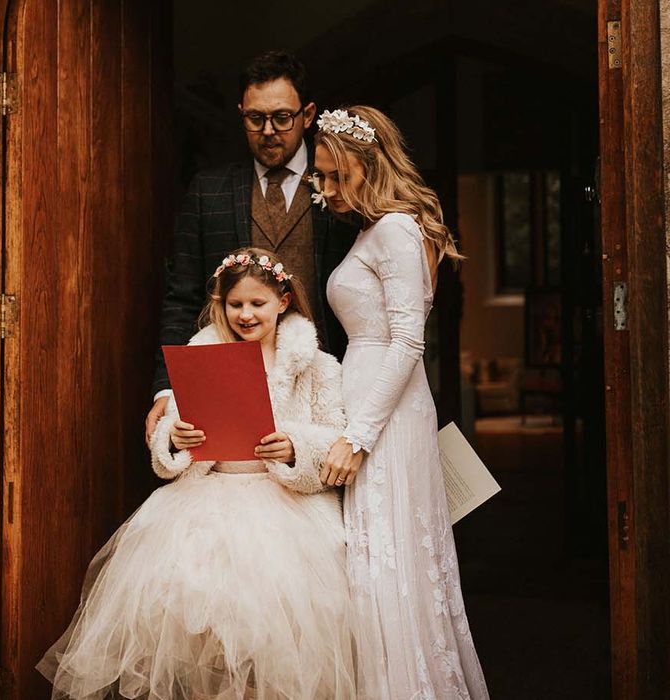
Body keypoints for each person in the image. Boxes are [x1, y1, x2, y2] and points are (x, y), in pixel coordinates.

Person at [38, 248, 357, 699]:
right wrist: (175, 438)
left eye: (257, 304)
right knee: (205, 639)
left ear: (283, 301)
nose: (245, 314)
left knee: (272, 637)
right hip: (206, 506)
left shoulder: (318, 367)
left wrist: (295, 448)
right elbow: (172, 433)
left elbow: (336, 440)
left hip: (286, 517)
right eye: (235, 304)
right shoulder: (203, 356)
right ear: (220, 305)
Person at [313, 107, 490, 699]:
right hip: (371, 399)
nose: (328, 190)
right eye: (322, 176)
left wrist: (358, 436)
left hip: (386, 414)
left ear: (368, 164)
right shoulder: (373, 229)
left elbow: (408, 341)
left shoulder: (396, 229)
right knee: (373, 560)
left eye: (338, 176)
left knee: (387, 560)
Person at [145, 50, 355, 444]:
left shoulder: (341, 189)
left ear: (308, 115)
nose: (269, 131)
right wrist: (167, 388)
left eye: (282, 117)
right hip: (229, 390)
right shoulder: (209, 191)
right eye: (255, 119)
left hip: (322, 391)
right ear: (241, 113)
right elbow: (182, 298)